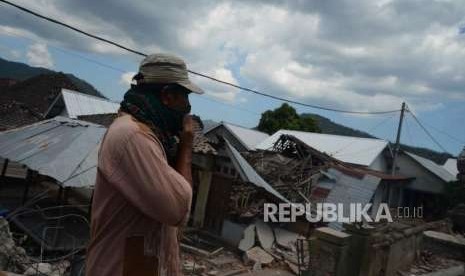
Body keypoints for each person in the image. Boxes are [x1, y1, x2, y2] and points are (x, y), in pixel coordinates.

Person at [85, 53, 204, 276]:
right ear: (167, 96)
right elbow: (178, 210)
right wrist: (187, 146)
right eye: (185, 97)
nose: (188, 106)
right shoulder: (133, 136)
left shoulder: (153, 135)